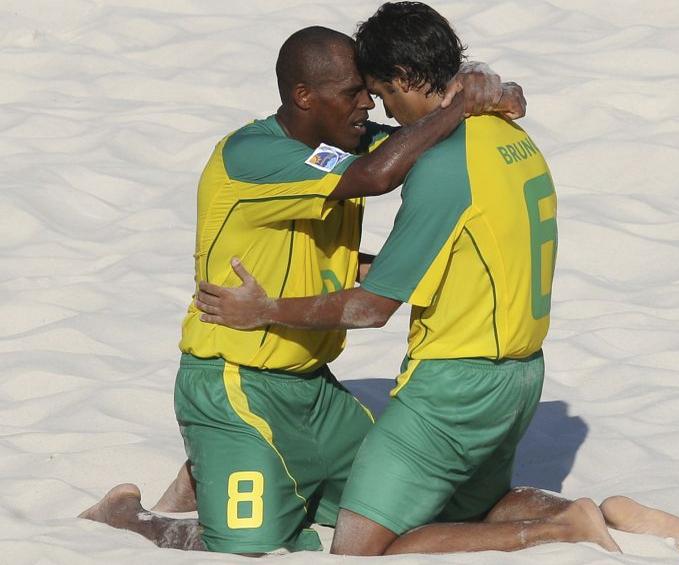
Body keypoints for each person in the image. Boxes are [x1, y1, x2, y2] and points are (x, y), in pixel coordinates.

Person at [194, 2, 679, 559]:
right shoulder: (511, 135)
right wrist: (490, 94)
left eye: (381, 92)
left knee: (358, 548)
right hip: (522, 377)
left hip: (453, 387)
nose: (374, 109)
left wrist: (266, 309)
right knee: (473, 508)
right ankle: (595, 515)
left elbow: (372, 305)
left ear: (407, 79)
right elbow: (444, 244)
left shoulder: (442, 164)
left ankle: (560, 530)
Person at [78, 24, 526, 555]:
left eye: (369, 90)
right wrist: (458, 108)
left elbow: (415, 142)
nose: (367, 104)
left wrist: (494, 90)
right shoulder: (250, 154)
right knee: (249, 548)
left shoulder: (343, 142)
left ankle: (209, 473)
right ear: (303, 96)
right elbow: (378, 175)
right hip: (234, 384)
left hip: (316, 392)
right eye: (352, 93)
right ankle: (130, 514)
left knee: (405, 507)